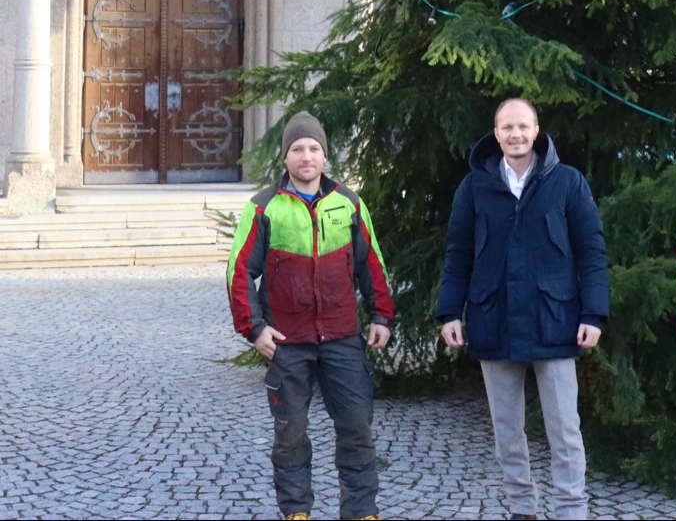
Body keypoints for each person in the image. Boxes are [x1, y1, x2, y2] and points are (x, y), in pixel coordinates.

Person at [436, 98, 609, 521]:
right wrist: (449, 312)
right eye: (507, 127)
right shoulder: (473, 188)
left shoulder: (567, 182)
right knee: (507, 431)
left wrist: (593, 314)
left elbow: (591, 251)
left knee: (564, 430)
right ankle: (521, 508)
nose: (516, 134)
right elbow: (458, 253)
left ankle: (571, 510)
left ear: (536, 131)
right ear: (496, 134)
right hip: (492, 319)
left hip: (556, 322)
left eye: (523, 126)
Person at [227, 111, 394, 521]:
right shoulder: (263, 208)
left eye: (314, 148)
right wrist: (254, 329)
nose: (307, 156)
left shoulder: (349, 203)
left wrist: (381, 316)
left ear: (325, 156)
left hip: (342, 338)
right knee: (290, 434)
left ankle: (361, 511)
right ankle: (296, 511)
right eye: (298, 149)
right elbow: (239, 272)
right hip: (287, 342)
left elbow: (372, 264)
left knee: (357, 427)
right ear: (285, 156)